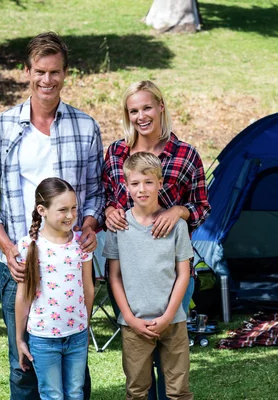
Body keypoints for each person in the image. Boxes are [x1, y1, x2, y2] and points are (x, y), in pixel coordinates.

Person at [0, 32, 104, 399]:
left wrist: (90, 225)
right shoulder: (1, 128)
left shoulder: (85, 126)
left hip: (69, 262)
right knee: (24, 365)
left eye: (56, 72)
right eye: (40, 71)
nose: (47, 80)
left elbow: (96, 193)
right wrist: (9, 247)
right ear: (26, 71)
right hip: (21, 267)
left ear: (66, 73)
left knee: (75, 366)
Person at [102, 80, 210, 399]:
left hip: (172, 270)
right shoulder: (116, 152)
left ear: (161, 106)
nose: (141, 116)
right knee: (138, 375)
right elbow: (107, 197)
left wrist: (178, 210)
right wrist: (109, 209)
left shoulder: (185, 154)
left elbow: (203, 206)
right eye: (133, 110)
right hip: (130, 271)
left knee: (173, 373)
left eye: (147, 107)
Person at [104, 152, 194, 400]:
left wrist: (167, 316)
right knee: (136, 391)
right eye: (135, 183)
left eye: (148, 182)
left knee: (179, 391)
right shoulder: (119, 226)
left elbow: (183, 273)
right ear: (126, 186)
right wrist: (130, 319)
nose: (142, 189)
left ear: (160, 183)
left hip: (173, 323)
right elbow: (114, 277)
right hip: (134, 325)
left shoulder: (177, 225)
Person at [15, 178, 94, 400]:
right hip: (43, 338)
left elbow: (88, 288)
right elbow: (23, 297)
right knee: (52, 395)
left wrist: (85, 325)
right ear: (42, 210)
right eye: (62, 210)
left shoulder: (81, 243)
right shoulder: (29, 246)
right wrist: (20, 339)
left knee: (75, 393)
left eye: (74, 208)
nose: (70, 215)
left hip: (77, 336)